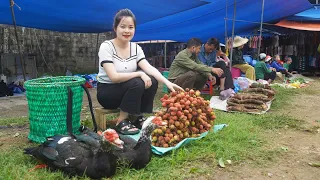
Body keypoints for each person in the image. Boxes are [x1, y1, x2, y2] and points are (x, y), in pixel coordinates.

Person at [97, 9, 183, 135]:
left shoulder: (136, 48)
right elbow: (114, 77)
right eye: (123, 26)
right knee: (138, 81)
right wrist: (139, 73)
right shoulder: (107, 46)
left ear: (134, 29)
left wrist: (167, 82)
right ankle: (122, 120)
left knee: (152, 80)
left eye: (130, 27)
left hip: (125, 89)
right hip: (108, 93)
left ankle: (138, 117)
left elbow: (149, 68)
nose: (127, 30)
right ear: (115, 28)